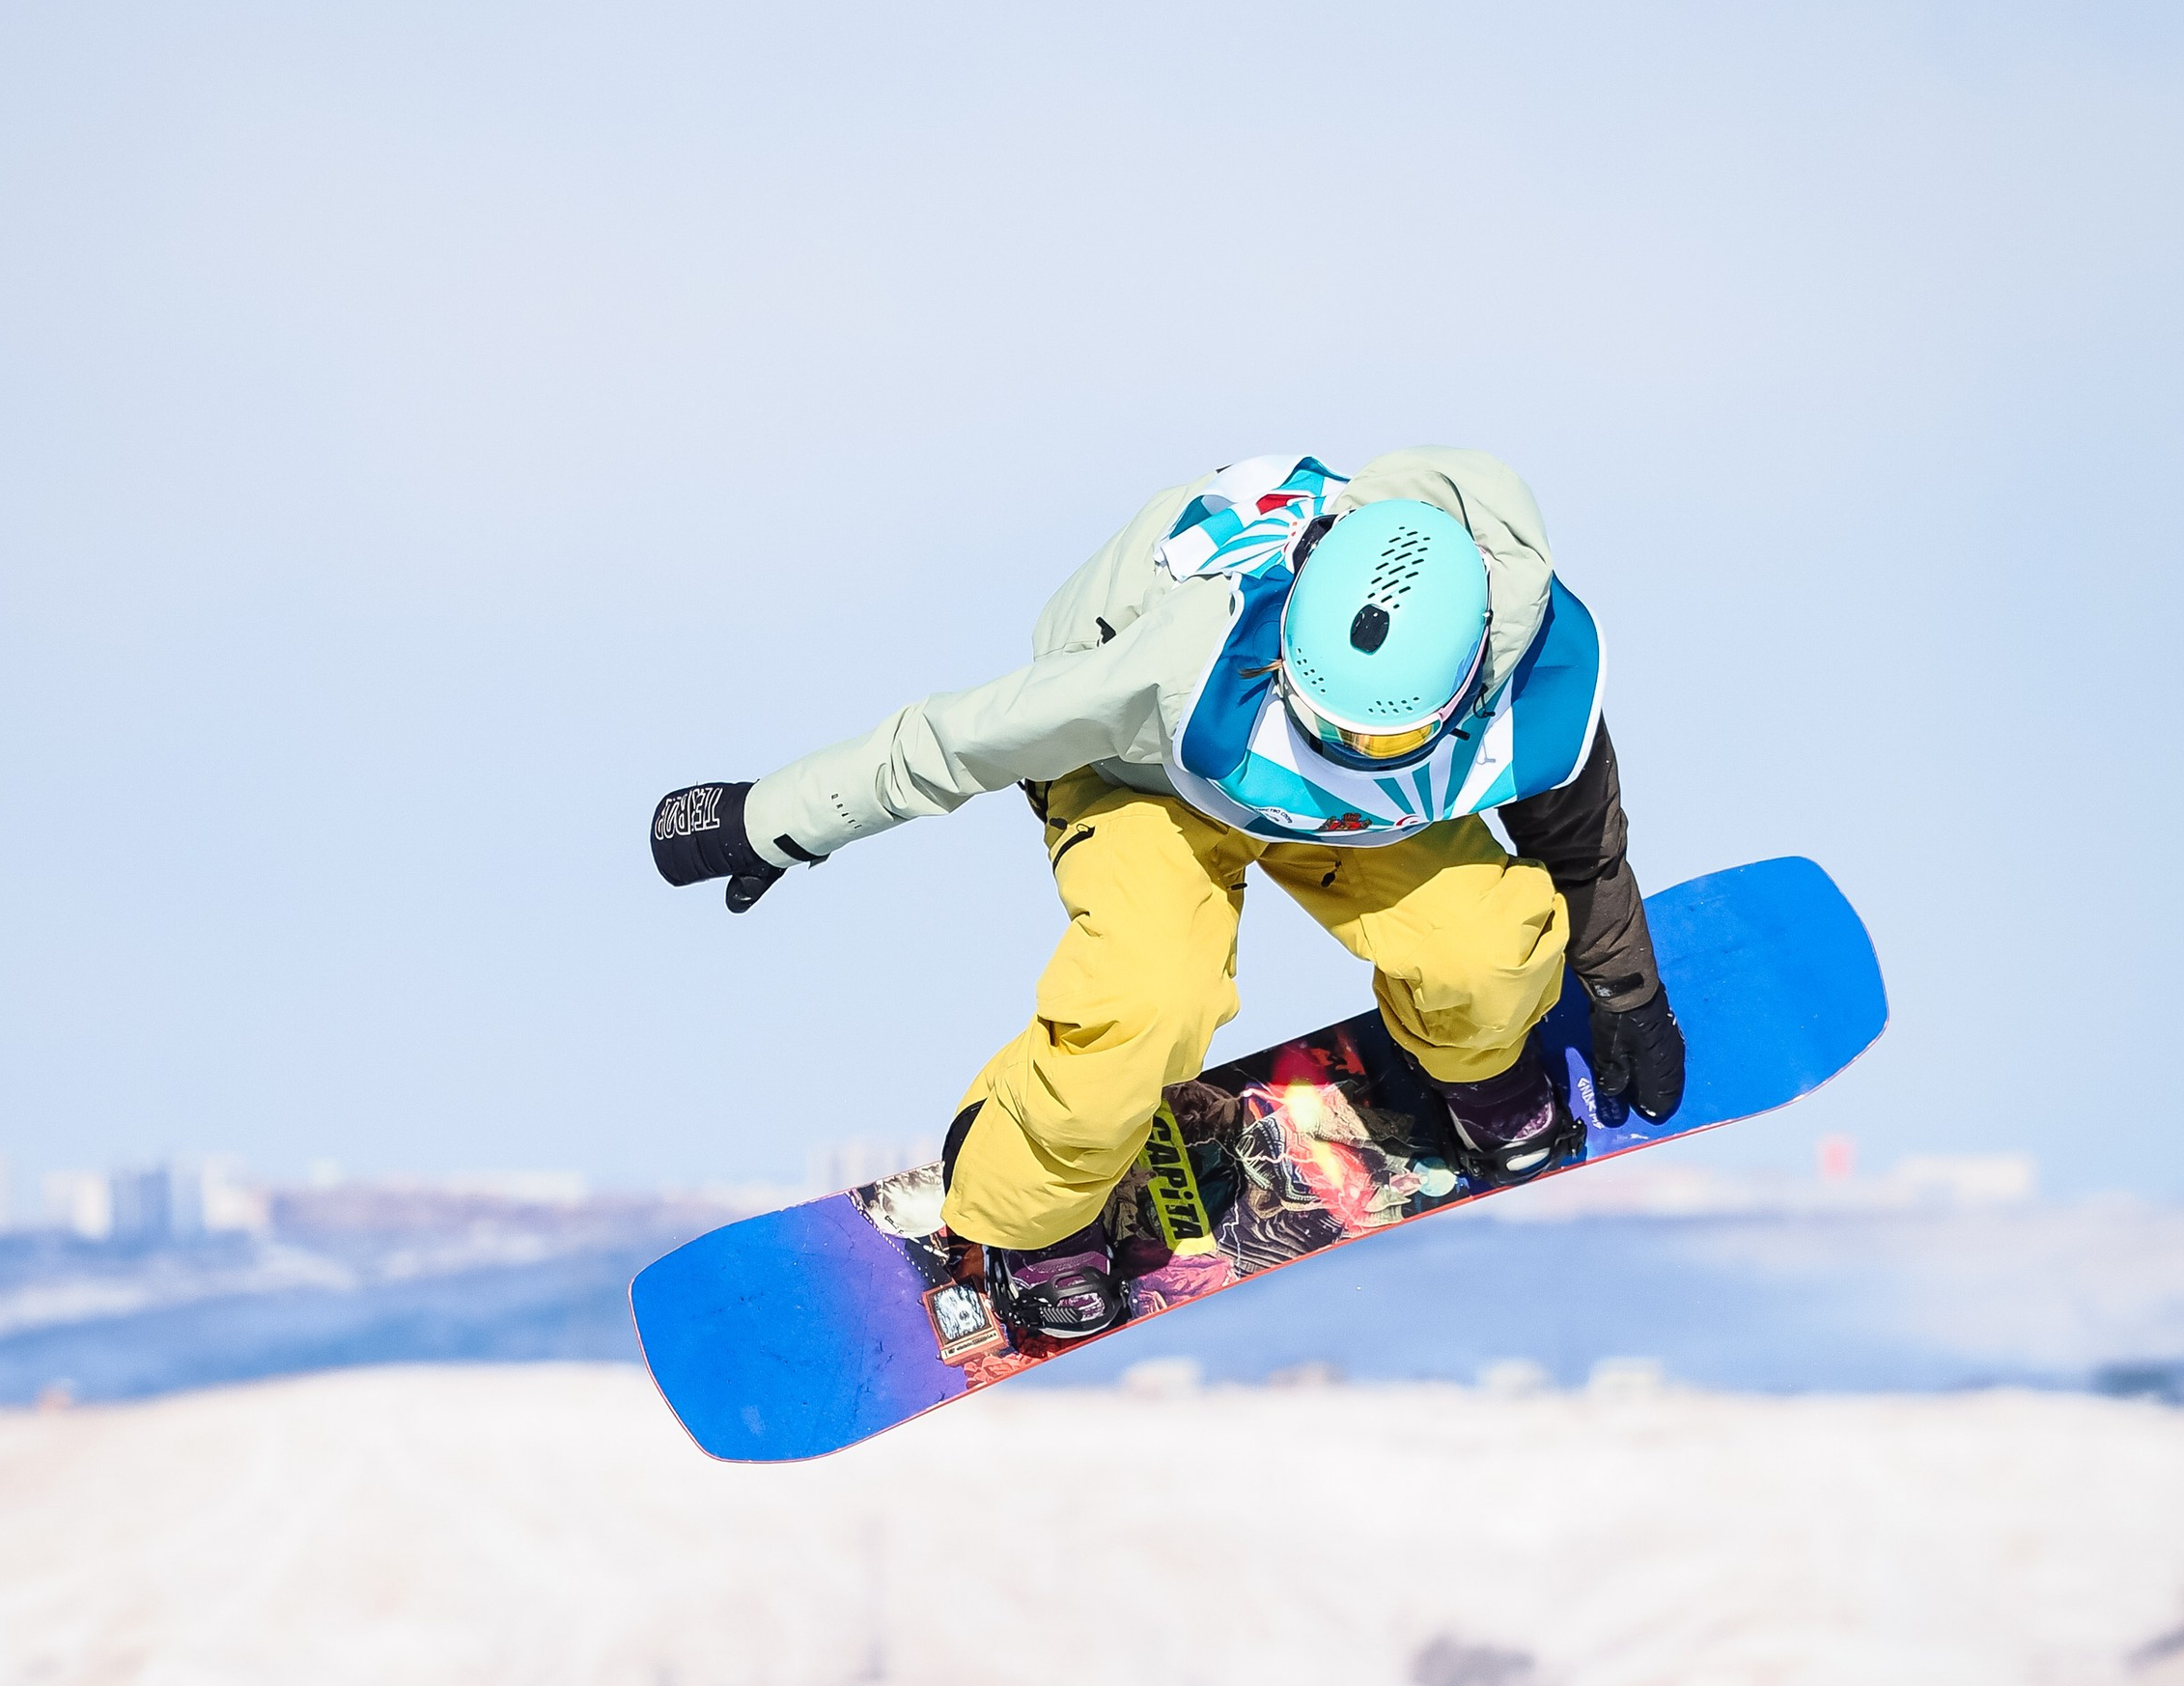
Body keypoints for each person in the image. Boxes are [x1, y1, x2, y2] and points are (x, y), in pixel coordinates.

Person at [649, 449, 1685, 1343]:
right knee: (1148, 998)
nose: (1334, 742)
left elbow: (1577, 845)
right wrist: (772, 817)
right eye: (1319, 714)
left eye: (1366, 736)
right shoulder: (1178, 664)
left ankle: (1474, 1061)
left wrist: (1626, 992)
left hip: (1356, 814)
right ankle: (1029, 1206)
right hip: (1143, 773)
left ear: (1469, 684)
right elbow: (955, 742)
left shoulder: (1537, 677)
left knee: (1489, 941)